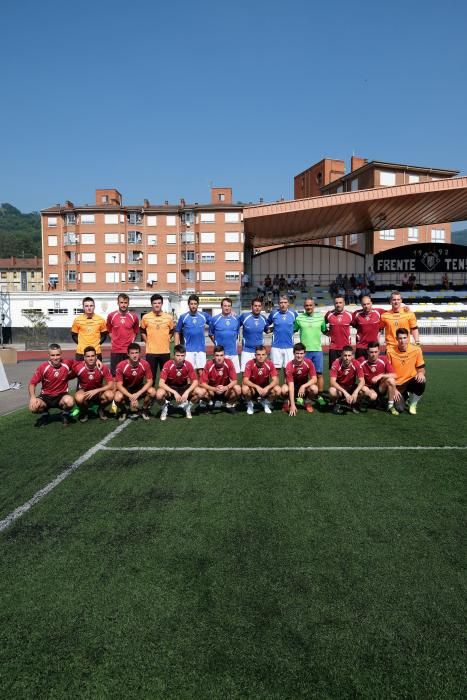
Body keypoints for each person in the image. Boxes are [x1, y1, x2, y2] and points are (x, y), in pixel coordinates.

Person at [29, 343, 75, 427]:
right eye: (53, 355)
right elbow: (32, 383)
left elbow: (82, 363)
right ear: (49, 355)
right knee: (33, 407)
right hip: (46, 396)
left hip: (61, 396)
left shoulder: (67, 363)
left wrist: (96, 360)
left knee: (70, 402)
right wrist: (32, 397)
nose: (55, 357)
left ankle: (64, 414)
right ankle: (45, 414)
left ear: (61, 354)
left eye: (57, 355)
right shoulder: (43, 367)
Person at [386, 328, 426, 415]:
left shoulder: (416, 350)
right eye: (400, 338)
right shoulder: (390, 351)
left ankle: (413, 404)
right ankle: (404, 396)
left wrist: (421, 373)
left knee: (422, 380)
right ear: (396, 339)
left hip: (411, 380)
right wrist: (394, 389)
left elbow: (421, 367)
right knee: (399, 409)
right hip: (398, 384)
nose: (402, 341)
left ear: (408, 338)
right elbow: (387, 372)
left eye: (404, 338)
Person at [293, 298, 327, 402]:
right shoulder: (299, 318)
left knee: (319, 374)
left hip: (317, 350)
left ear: (314, 306)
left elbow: (325, 330)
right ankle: (300, 395)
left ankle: (319, 395)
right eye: (307, 305)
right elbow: (293, 330)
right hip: (304, 352)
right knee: (301, 375)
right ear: (304, 307)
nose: (309, 307)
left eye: (310, 305)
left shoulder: (321, 318)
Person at [156, 344, 199, 421]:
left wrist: (187, 392)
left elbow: (195, 381)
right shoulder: (168, 364)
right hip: (171, 389)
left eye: (182, 355)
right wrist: (174, 393)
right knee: (159, 394)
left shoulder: (188, 365)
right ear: (174, 355)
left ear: (185, 355)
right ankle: (164, 409)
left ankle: (187, 408)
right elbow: (161, 383)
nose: (180, 358)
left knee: (200, 392)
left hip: (184, 388)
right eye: (178, 355)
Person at [114, 342, 156, 421]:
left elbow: (150, 381)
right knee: (117, 398)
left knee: (152, 391)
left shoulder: (145, 364)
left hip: (139, 388)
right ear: (128, 354)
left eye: (136, 353)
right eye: (132, 353)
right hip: (126, 389)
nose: (134, 355)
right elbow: (119, 385)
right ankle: (124, 411)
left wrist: (137, 394)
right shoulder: (121, 365)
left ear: (140, 353)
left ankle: (144, 409)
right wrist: (131, 396)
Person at [73, 346, 115, 422]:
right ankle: (85, 412)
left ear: (96, 357)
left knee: (110, 395)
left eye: (92, 356)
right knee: (78, 398)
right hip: (84, 393)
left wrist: (96, 390)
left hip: (98, 393)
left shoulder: (102, 367)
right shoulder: (78, 367)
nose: (90, 358)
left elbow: (111, 384)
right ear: (84, 358)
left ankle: (100, 409)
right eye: (88, 356)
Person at [195, 345, 241, 414]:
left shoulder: (229, 363)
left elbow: (234, 381)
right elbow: (201, 383)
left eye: (221, 355)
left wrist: (226, 387)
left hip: (225, 391)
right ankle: (209, 403)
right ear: (214, 356)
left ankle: (229, 404)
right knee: (201, 391)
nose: (219, 358)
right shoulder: (209, 364)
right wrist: (214, 389)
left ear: (224, 355)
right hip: (212, 392)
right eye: (217, 355)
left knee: (238, 388)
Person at [140, 293, 175, 381]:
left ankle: (166, 394)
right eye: (155, 303)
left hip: (165, 351)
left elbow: (172, 330)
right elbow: (142, 331)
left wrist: (168, 338)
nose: (157, 305)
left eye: (159, 303)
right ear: (151, 304)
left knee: (166, 377)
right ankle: (151, 394)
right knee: (151, 377)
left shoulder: (169, 318)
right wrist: (146, 341)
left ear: (162, 304)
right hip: (151, 352)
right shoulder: (145, 317)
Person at [358, 341, 398, 415]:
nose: (374, 354)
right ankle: (361, 401)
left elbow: (395, 375)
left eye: (376, 352)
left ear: (379, 351)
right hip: (367, 388)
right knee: (371, 395)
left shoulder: (383, 360)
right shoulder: (361, 361)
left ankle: (390, 406)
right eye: (371, 352)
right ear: (367, 352)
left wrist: (381, 376)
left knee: (391, 380)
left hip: (380, 388)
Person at [174, 294, 211, 373]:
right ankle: (190, 385)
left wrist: (229, 313)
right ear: (188, 305)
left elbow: (215, 322)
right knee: (189, 372)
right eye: (191, 304)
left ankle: (200, 385)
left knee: (201, 372)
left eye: (195, 304)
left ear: (198, 304)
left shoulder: (204, 315)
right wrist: (176, 347)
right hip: (188, 350)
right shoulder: (183, 317)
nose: (193, 306)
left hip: (200, 349)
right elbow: (177, 332)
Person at [106, 293, 140, 374]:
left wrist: (131, 342)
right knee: (115, 374)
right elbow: (109, 330)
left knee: (128, 373)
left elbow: (136, 331)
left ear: (128, 303)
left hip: (128, 351)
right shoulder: (111, 316)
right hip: (116, 350)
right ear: (118, 303)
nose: (123, 305)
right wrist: (114, 339)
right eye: (121, 302)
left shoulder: (134, 317)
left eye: (125, 303)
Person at [242, 344, 281, 415]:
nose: (261, 356)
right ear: (255, 355)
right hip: (253, 389)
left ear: (266, 355)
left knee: (278, 390)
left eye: (263, 354)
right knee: (244, 389)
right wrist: (256, 387)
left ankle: (266, 403)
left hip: (264, 389)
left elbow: (276, 380)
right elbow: (245, 380)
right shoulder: (250, 363)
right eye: (258, 354)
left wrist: (267, 387)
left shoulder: (270, 363)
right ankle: (250, 404)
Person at [281, 342, 318, 416]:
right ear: (293, 353)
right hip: (293, 387)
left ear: (305, 353)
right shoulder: (289, 365)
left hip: (303, 387)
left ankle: (307, 403)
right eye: (297, 353)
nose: (299, 356)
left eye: (301, 353)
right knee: (284, 389)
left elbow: (314, 379)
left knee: (315, 388)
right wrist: (293, 405)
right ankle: (287, 402)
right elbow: (291, 385)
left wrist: (303, 386)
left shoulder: (309, 362)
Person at [328, 345, 365, 414]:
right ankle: (335, 403)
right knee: (332, 391)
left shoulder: (356, 363)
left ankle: (354, 404)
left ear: (352, 356)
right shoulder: (336, 364)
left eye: (349, 355)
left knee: (363, 390)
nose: (347, 358)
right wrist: (345, 393)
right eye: (345, 355)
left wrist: (355, 392)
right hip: (340, 389)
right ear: (341, 355)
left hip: (351, 387)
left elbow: (362, 381)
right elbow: (332, 382)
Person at [266, 295, 298, 370]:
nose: (283, 304)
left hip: (289, 347)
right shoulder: (274, 313)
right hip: (276, 347)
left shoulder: (293, 314)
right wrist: (271, 329)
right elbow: (266, 324)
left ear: (288, 303)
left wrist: (292, 330)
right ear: (278, 304)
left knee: (288, 371)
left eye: (285, 302)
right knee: (275, 371)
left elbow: (298, 325)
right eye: (281, 303)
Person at [209, 298, 240, 372]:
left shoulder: (236, 319)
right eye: (225, 306)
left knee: (234, 376)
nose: (227, 308)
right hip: (221, 353)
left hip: (233, 353)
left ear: (231, 307)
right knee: (221, 375)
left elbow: (237, 334)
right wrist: (217, 344)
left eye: (229, 306)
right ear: (221, 306)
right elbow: (211, 334)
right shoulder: (215, 319)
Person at [238, 298, 268, 371]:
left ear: (261, 307)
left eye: (259, 306)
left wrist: (277, 327)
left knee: (259, 374)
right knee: (245, 374)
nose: (257, 308)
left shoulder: (263, 318)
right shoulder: (244, 316)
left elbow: (267, 330)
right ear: (251, 306)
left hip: (259, 352)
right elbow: (235, 325)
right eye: (255, 306)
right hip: (246, 351)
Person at [324, 295, 353, 369]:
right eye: (336, 303)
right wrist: (326, 333)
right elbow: (322, 325)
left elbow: (357, 325)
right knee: (333, 370)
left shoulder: (350, 315)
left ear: (344, 303)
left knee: (346, 371)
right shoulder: (329, 314)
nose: (338, 305)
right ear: (334, 304)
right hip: (333, 348)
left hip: (346, 348)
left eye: (340, 302)